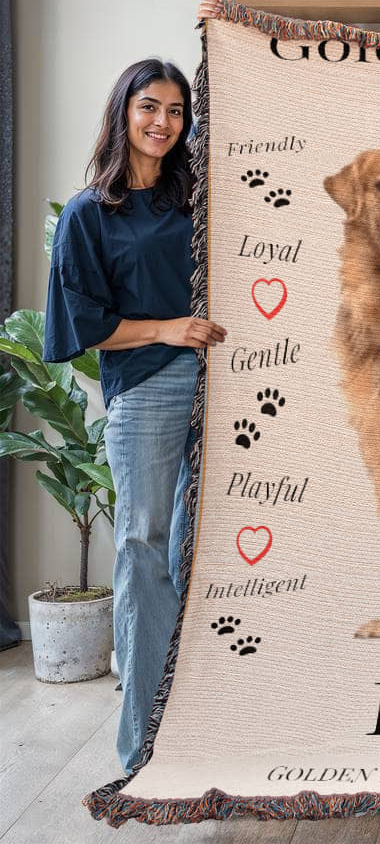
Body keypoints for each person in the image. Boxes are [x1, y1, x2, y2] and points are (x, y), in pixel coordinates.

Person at [42, 58, 227, 775]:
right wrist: (168, 329)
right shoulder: (90, 213)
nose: (163, 122)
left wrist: (223, 20)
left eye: (177, 111)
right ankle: (146, 746)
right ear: (123, 110)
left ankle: (209, 721)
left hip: (228, 382)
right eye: (149, 106)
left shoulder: (198, 194)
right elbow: (83, 325)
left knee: (201, 550)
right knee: (144, 547)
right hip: (148, 389)